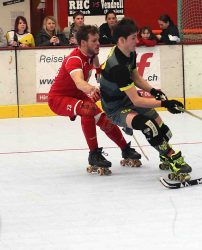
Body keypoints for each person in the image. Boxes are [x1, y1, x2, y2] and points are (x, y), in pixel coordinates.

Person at [99, 18, 192, 182]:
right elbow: (136, 101)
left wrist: (153, 91)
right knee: (148, 125)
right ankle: (171, 156)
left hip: (126, 99)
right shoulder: (117, 66)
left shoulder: (129, 52)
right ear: (121, 40)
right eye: (133, 38)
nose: (137, 40)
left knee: (161, 126)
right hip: (115, 108)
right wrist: (165, 104)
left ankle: (164, 154)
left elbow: (135, 76)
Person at [48, 25, 142, 175]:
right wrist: (91, 89)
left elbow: (95, 60)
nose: (98, 43)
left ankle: (125, 149)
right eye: (94, 41)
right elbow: (79, 82)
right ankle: (94, 155)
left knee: (104, 120)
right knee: (89, 109)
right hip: (58, 99)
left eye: (98, 39)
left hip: (76, 95)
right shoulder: (74, 59)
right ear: (83, 43)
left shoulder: (91, 54)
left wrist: (98, 70)